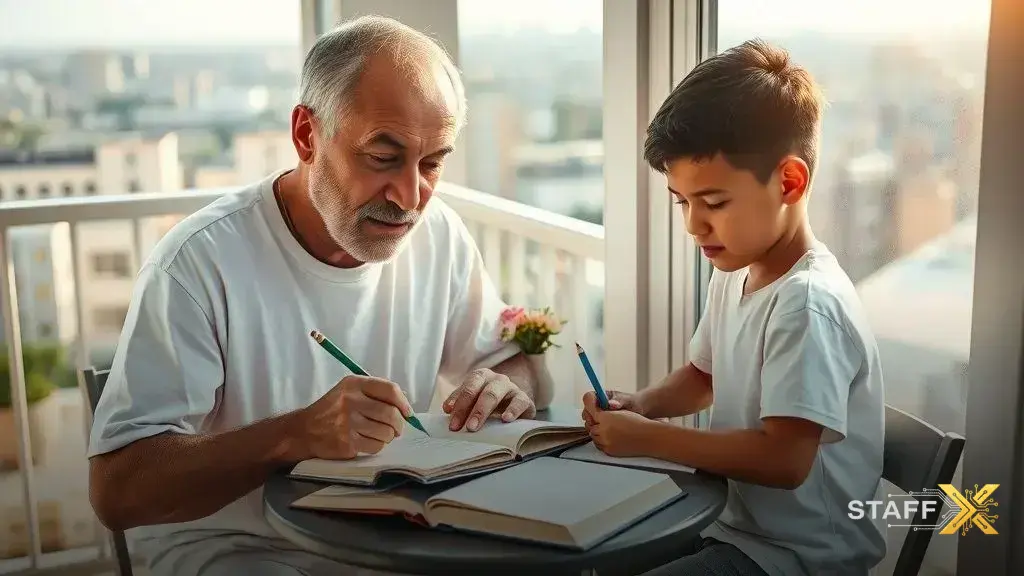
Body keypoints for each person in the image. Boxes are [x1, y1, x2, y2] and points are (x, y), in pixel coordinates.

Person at [86, 16, 547, 576]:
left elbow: (506, 359)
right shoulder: (198, 263)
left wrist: (504, 385)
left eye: (432, 163)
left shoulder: (440, 233)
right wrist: (293, 435)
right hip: (235, 548)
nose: (409, 197)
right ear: (307, 135)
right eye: (382, 157)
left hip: (388, 540)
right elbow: (117, 491)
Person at [581, 39, 887, 576]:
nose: (693, 226)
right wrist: (643, 404)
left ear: (790, 182)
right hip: (730, 527)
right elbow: (704, 375)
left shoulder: (807, 305)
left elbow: (784, 460)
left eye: (715, 203)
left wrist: (649, 439)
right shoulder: (737, 269)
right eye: (683, 202)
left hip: (796, 560)